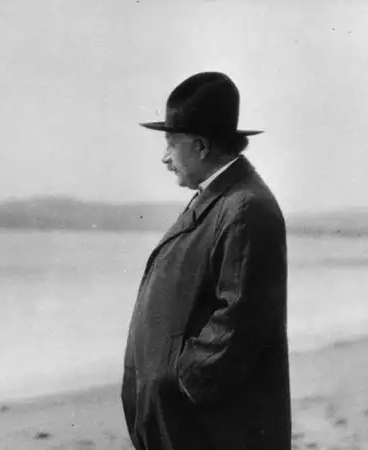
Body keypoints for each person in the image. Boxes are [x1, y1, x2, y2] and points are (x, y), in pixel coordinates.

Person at [122, 71, 291, 449]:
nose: (165, 158)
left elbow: (241, 319)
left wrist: (180, 382)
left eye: (171, 143)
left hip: (209, 429)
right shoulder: (221, 198)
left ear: (199, 146)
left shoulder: (246, 207)